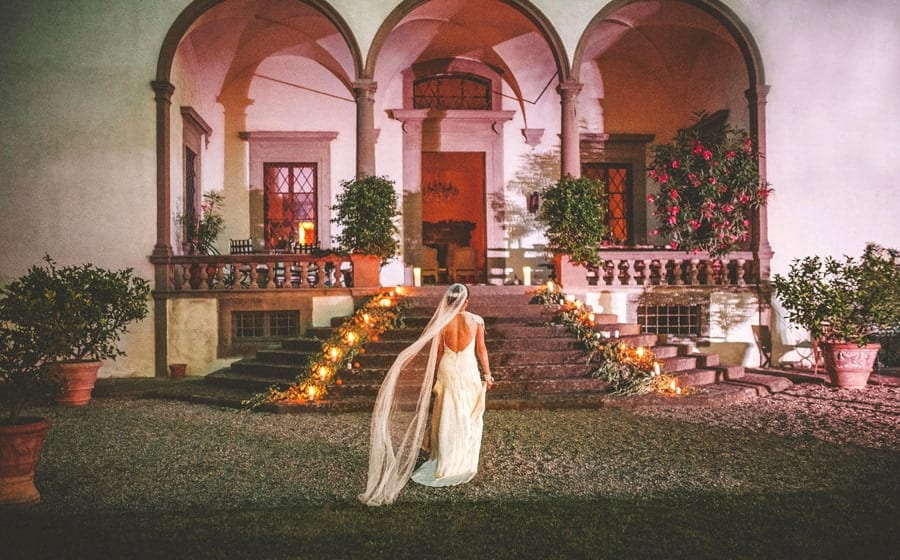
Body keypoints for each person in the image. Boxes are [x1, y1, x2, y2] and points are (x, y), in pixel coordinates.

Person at [359, 283, 493, 506]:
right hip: (468, 369)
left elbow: (439, 353)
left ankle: (444, 460)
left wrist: (433, 378)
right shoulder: (476, 321)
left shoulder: (443, 322)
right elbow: (481, 350)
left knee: (448, 413)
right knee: (467, 413)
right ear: (466, 301)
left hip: (449, 368)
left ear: (449, 301)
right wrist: (487, 374)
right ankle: (462, 460)